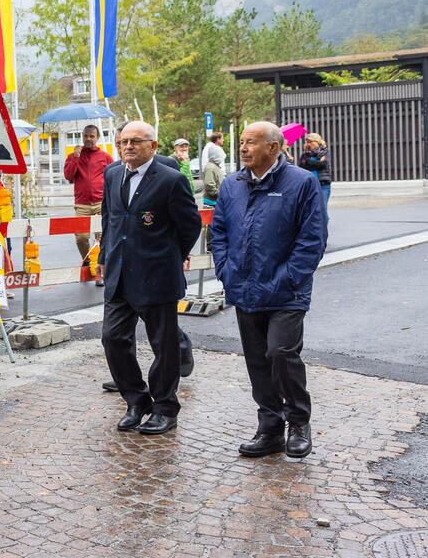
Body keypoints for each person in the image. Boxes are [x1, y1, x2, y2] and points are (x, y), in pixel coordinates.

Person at [211, 121, 327, 459]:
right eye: (242, 142)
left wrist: (290, 278)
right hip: (244, 288)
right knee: (257, 361)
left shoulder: (303, 182)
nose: (243, 148)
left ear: (273, 148)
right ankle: (270, 428)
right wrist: (225, 270)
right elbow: (218, 232)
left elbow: (313, 239)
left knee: (280, 353)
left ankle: (299, 423)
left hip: (286, 291)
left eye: (250, 143)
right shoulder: (232, 184)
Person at [93, 122, 202, 435]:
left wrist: (168, 256)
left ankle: (165, 407)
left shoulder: (171, 179)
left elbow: (189, 226)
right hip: (119, 276)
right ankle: (137, 400)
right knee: (112, 339)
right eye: (124, 142)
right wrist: (104, 256)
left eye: (136, 142)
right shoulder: (113, 174)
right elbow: (110, 219)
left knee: (164, 347)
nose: (128, 147)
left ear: (152, 146)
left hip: (157, 277)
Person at [62, 124, 114, 278]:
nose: (88, 139)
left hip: (101, 203)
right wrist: (76, 158)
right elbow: (68, 176)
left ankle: (100, 265)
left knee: (101, 236)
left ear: (97, 138)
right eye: (86, 136)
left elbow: (113, 178)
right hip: (82, 204)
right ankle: (86, 261)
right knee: (81, 237)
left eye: (92, 136)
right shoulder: (74, 156)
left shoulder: (105, 157)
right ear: (82, 137)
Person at [299, 133, 332, 220]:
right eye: (307, 142)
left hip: (323, 184)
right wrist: (317, 163)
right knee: (311, 208)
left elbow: (323, 164)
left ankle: (324, 227)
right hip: (310, 185)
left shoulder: (324, 152)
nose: (308, 144)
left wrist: (309, 163)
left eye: (310, 142)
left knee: (322, 208)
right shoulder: (305, 154)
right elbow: (302, 167)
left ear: (317, 142)